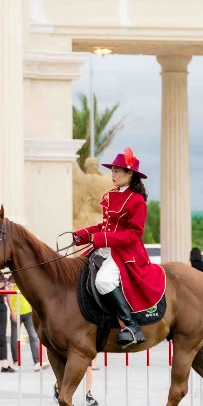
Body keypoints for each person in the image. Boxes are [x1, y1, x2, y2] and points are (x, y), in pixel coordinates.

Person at [72, 147, 162, 349]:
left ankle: (131, 326)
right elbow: (102, 226)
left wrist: (100, 238)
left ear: (130, 174)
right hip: (106, 248)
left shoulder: (137, 200)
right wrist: (82, 234)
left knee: (104, 281)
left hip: (125, 252)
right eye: (112, 170)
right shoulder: (111, 195)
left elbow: (133, 234)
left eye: (116, 171)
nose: (112, 175)